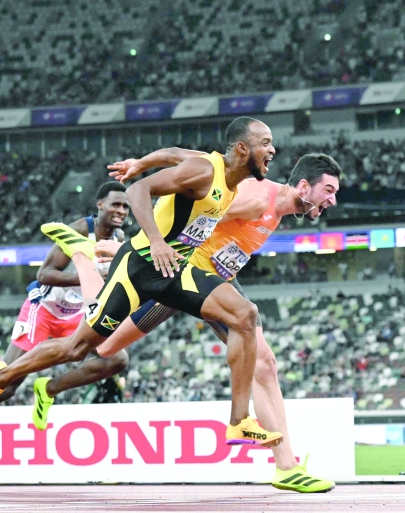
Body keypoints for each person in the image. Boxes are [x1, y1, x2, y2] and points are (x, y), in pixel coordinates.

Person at [0, 117, 282, 447]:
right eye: (265, 143)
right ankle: (2, 376)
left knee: (244, 315)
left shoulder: (220, 169)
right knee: (78, 348)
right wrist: (156, 240)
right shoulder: (205, 171)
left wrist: (140, 162)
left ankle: (239, 421)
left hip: (175, 271)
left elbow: (174, 152)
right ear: (242, 148)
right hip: (139, 267)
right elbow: (138, 189)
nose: (272, 150)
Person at [98, 150, 342, 493]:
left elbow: (189, 158)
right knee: (104, 345)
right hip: (188, 276)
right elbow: (195, 200)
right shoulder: (257, 198)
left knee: (264, 363)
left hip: (213, 282)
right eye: (328, 191)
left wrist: (146, 162)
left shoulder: (276, 208)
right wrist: (149, 244)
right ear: (304, 186)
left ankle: (288, 465)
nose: (332, 200)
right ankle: (286, 465)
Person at [0, 182, 132, 490]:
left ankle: (49, 388)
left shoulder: (119, 238)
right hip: (44, 310)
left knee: (117, 359)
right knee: (7, 387)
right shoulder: (79, 230)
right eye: (116, 205)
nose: (121, 211)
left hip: (77, 314)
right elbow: (44, 275)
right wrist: (88, 275)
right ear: (100, 205)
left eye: (125, 207)